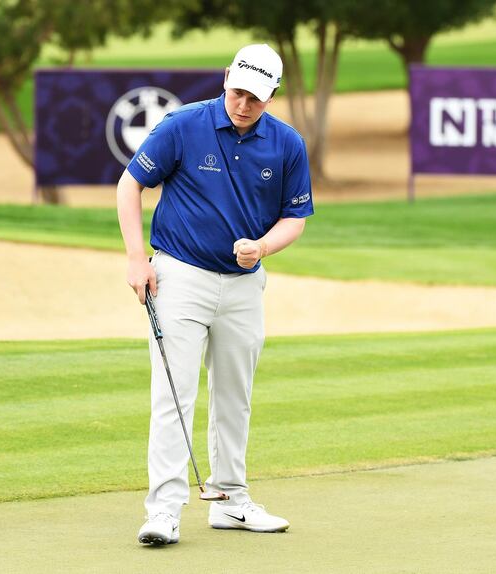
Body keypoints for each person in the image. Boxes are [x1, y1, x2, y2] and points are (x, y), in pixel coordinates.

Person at [116, 43, 314, 545]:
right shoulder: (184, 125)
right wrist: (137, 258)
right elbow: (129, 184)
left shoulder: (287, 144)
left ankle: (231, 502)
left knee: (234, 397)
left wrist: (264, 247)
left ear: (272, 95)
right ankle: (163, 510)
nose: (243, 104)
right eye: (237, 91)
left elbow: (296, 217)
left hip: (245, 284)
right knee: (173, 397)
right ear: (226, 77)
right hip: (180, 276)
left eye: (256, 97)